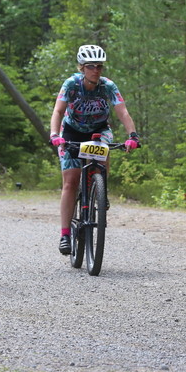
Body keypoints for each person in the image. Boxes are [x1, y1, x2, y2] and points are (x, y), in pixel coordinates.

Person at [49, 45, 140, 255]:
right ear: (82, 67)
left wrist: (132, 135)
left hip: (98, 130)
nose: (96, 70)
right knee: (70, 182)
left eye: (99, 66)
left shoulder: (108, 86)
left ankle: (100, 191)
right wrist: (55, 135)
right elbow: (58, 111)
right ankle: (65, 234)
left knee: (105, 149)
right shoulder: (71, 84)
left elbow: (122, 111)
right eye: (91, 66)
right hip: (71, 132)